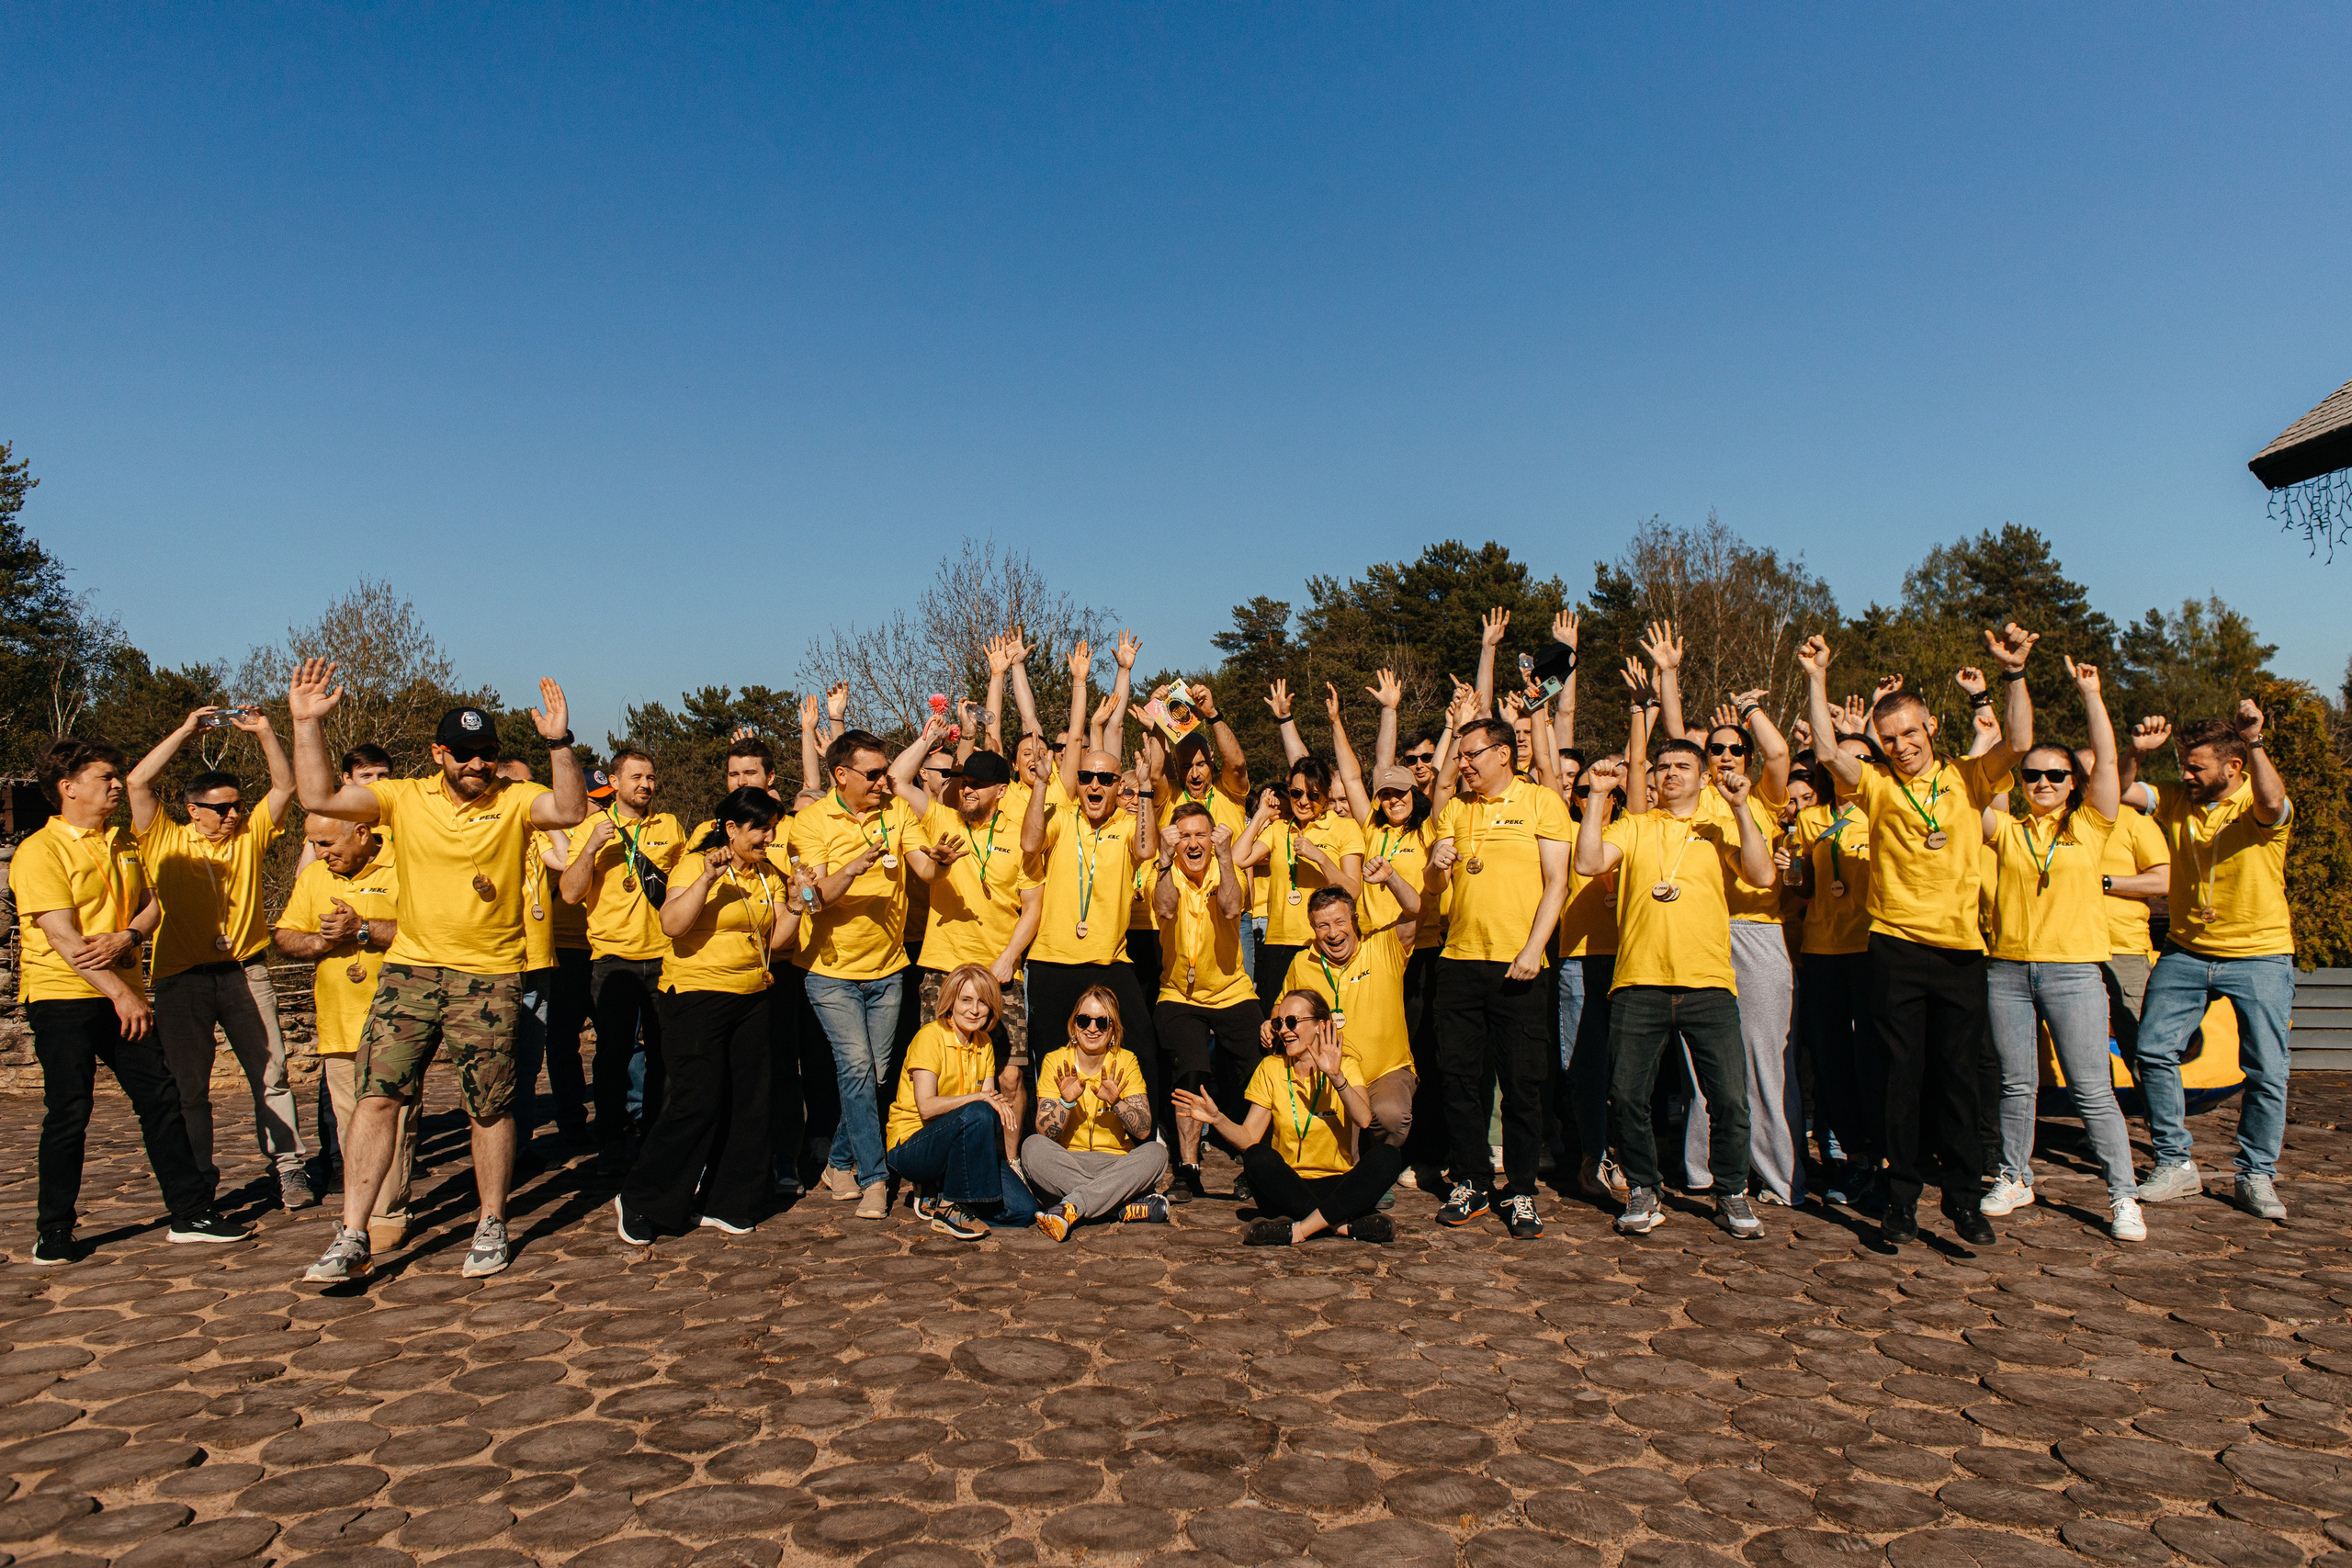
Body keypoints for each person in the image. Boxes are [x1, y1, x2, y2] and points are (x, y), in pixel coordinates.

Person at [291, 663, 588, 1284]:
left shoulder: (513, 802)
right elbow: (318, 796)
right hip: (412, 972)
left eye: (486, 752)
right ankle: (352, 1231)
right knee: (377, 1098)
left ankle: (490, 1223)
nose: (476, 763)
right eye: (464, 752)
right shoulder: (402, 796)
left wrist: (559, 742)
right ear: (438, 753)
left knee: (489, 1104)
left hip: (490, 976)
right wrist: (306, 724)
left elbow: (567, 806)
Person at [1802, 626, 2036, 1247]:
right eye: (1889, 739)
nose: (1901, 746)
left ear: (1930, 726)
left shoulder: (1968, 776)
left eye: (1910, 733)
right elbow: (1829, 755)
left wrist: (2011, 675)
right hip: (1895, 947)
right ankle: (1900, 1199)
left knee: (1958, 1076)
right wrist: (1817, 676)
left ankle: (1962, 1199)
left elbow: (2018, 739)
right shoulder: (1876, 786)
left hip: (1960, 949)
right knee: (1899, 1076)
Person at [15, 738, 246, 1262]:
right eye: (105, 777)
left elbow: (150, 906)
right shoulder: (39, 851)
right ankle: (54, 1229)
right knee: (69, 1111)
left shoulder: (122, 842)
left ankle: (190, 1213)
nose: (118, 784)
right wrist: (123, 995)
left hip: (125, 996)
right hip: (63, 996)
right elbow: (63, 938)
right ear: (68, 787)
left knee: (162, 1100)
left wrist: (130, 938)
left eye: (118, 776)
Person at [1574, 742, 1775, 1238]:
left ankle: (1731, 1192)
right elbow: (1588, 862)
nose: (1669, 774)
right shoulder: (1636, 826)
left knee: (1728, 1098)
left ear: (1703, 777)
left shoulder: (1718, 826)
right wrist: (1597, 797)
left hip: (1707, 983)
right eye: (1662, 767)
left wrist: (1741, 807)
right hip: (1639, 982)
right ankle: (1643, 1186)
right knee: (1626, 1096)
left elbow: (1763, 874)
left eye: (1682, 766)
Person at [1974, 659, 2143, 1241]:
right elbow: (1977, 790)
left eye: (2055, 775)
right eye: (2032, 776)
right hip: (2008, 972)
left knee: (2092, 1087)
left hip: (2073, 974)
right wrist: (1987, 715)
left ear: (2074, 782)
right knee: (2017, 1084)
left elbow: (2111, 762)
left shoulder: (2092, 825)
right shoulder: (2009, 829)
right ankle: (2014, 1176)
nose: (2042, 783)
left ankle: (2123, 1196)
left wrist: (2092, 696)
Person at [127, 705, 310, 1210]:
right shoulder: (163, 839)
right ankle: (197, 1183)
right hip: (181, 979)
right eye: (222, 808)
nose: (233, 814)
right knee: (190, 1087)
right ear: (194, 809)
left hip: (244, 974)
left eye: (236, 805)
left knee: (271, 1073)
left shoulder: (250, 836)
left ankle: (290, 1168)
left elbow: (286, 788)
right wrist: (185, 730)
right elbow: (138, 783)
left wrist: (267, 733)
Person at [2120, 701, 2296, 1217]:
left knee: (2266, 1070)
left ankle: (2256, 1176)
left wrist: (2255, 740)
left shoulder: (2257, 803)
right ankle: (2176, 1163)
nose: (2186, 775)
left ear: (2232, 767)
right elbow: (2118, 790)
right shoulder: (2177, 799)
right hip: (2186, 952)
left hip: (2259, 955)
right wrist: (2136, 750)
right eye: (2182, 766)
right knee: (2152, 1051)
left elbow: (2273, 801)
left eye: (2196, 767)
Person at [614, 788, 810, 1244]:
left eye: (772, 827)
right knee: (696, 1101)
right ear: (731, 828)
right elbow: (672, 925)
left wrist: (799, 903)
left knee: (749, 1102)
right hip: (695, 997)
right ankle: (643, 1197)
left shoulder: (768, 876)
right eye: (759, 828)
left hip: (752, 995)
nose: (769, 836)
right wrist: (706, 880)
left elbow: (778, 939)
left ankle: (729, 1201)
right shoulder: (694, 865)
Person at [1423, 713, 1574, 1238]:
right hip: (1460, 961)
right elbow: (1435, 891)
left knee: (1523, 1084)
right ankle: (1472, 1181)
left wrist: (1535, 948)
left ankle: (1523, 1189)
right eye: (1461, 756)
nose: (1463, 764)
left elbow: (1558, 883)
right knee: (1461, 1080)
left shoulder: (1542, 803)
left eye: (1472, 754)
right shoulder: (1454, 811)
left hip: (1520, 964)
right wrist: (1434, 864)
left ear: (1504, 753)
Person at [1020, 640, 1159, 1111]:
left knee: (1141, 1044)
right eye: (1087, 778)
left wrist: (1143, 796)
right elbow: (1029, 844)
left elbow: (1146, 848)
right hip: (1052, 960)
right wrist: (1041, 785)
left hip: (1108, 960)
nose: (1094, 785)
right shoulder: (1062, 815)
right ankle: (1051, 1140)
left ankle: (1145, 1137)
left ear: (1117, 785)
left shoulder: (1125, 822)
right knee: (1049, 1058)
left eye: (1105, 779)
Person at [795, 725, 926, 1219]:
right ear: (840, 775)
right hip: (831, 972)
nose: (882, 782)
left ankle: (840, 1160)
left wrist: (935, 859)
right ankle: (875, 1179)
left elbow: (925, 870)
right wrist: (854, 866)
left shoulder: (894, 810)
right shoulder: (810, 823)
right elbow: (811, 899)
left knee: (877, 1074)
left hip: (889, 969)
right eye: (872, 775)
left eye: (884, 772)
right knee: (857, 1070)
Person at [273, 813, 414, 1256]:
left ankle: (387, 1213)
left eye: (328, 843)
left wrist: (363, 929)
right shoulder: (315, 875)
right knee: (352, 1122)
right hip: (338, 1020)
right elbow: (284, 935)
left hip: (400, 1015)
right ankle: (359, 1209)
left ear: (361, 833)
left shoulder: (406, 865)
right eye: (314, 843)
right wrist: (318, 943)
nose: (320, 852)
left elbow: (426, 931)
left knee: (394, 1116)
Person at [1174, 989, 1400, 1247]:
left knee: (1388, 1156)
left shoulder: (1346, 1066)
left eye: (1292, 1022)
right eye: (1278, 1023)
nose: (1284, 1030)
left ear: (1320, 1026)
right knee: (1257, 1156)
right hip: (1288, 1185)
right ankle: (1340, 1225)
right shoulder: (1271, 1068)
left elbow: (1363, 1119)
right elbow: (1249, 1138)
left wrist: (1336, 1078)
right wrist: (1217, 1119)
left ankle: (1301, 1228)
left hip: (1338, 1183)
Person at [560, 746, 684, 1154]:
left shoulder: (670, 826)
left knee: (665, 1057)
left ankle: (655, 1141)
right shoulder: (589, 829)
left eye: (650, 777)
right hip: (613, 961)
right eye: (636, 777)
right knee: (613, 1056)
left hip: (665, 957)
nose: (646, 785)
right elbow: (571, 892)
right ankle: (611, 1140)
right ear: (613, 783)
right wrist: (593, 846)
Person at [1787, 727, 1881, 1212]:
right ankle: (1854, 1157)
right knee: (1831, 1061)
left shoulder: (1885, 811)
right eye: (1840, 761)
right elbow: (1805, 888)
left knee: (1875, 1059)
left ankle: (1885, 1160)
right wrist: (1793, 870)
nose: (1850, 768)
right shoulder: (1813, 818)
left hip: (1874, 950)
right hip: (1822, 950)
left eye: (1861, 759)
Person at [1148, 801, 1261, 1198]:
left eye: (1201, 835)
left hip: (1231, 989)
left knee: (1257, 1073)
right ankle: (1188, 1167)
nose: (1193, 844)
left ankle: (1257, 1164)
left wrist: (1227, 857)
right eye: (1185, 836)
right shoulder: (1164, 870)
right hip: (1179, 992)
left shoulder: (1227, 867)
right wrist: (1162, 859)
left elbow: (1232, 908)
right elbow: (1163, 908)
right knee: (1190, 1073)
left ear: (1212, 839)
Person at [884, 964, 1035, 1238]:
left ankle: (950, 1191)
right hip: (912, 1145)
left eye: (983, 1003)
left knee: (1023, 1211)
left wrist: (991, 1106)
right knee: (977, 1110)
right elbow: (927, 1108)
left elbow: (988, 1107)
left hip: (962, 1143)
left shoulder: (985, 1043)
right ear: (950, 1002)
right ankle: (951, 1206)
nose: (974, 1010)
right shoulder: (930, 1036)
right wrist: (979, 1098)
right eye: (966, 1000)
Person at [1239, 682, 1365, 1006]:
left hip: (1322, 940)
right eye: (1296, 793)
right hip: (1278, 943)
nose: (1303, 801)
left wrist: (1321, 858)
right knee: (1277, 1022)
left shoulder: (1344, 827)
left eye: (1312, 795)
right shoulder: (1280, 827)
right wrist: (1261, 816)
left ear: (1324, 795)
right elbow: (1239, 859)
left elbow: (1352, 890)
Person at [1280, 884, 1420, 1151]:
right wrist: (1271, 1022)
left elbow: (1414, 909)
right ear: (1312, 928)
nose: (1332, 933)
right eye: (1322, 926)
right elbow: (1282, 1006)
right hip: (1329, 1071)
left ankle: (1381, 1167)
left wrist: (1389, 876)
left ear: (1354, 919)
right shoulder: (1302, 962)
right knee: (1343, 1160)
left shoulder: (1383, 946)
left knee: (1390, 1116)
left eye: (1339, 922)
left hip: (1384, 1071)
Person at [1023, 987, 1170, 1240]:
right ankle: (1120, 1206)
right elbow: (1044, 1132)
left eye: (1102, 1022)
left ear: (1113, 1030)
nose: (1092, 1029)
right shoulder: (1056, 1061)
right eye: (1084, 1020)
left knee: (1156, 1152)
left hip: (1116, 1163)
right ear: (1074, 1026)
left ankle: (1072, 1206)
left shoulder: (1126, 1061)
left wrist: (1117, 1103)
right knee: (1031, 1147)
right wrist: (1065, 1103)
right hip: (1068, 1161)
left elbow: (1144, 1130)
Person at [2082, 741, 2171, 1077]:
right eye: (2080, 773)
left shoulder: (2134, 820)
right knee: (2085, 1052)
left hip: (2124, 951)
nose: (2088, 779)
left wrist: (2104, 883)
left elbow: (2163, 881)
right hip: (2071, 951)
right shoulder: (2062, 820)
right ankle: (2103, 1127)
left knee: (2142, 1051)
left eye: (2095, 771)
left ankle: (2160, 1128)